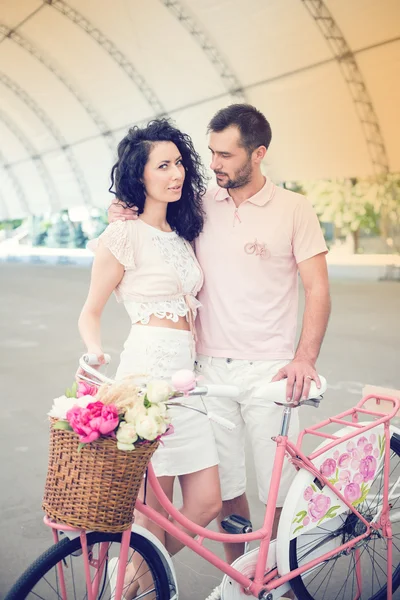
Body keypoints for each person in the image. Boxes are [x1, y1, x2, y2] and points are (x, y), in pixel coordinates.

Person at [109, 104, 330, 598]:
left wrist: (305, 358)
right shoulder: (201, 204)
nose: (214, 164)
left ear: (259, 153)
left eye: (225, 155)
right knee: (228, 492)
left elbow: (318, 289)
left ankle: (279, 581)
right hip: (206, 372)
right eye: (210, 153)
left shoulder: (296, 209)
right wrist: (119, 215)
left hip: (271, 372)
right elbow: (149, 220)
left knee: (276, 493)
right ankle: (244, 583)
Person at [79, 119, 222, 598]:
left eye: (179, 162)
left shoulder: (183, 235)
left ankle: (132, 584)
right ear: (140, 176)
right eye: (163, 165)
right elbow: (90, 311)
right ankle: (139, 589)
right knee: (151, 514)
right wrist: (94, 350)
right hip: (145, 374)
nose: (176, 173)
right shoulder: (121, 236)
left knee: (205, 503)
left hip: (188, 379)